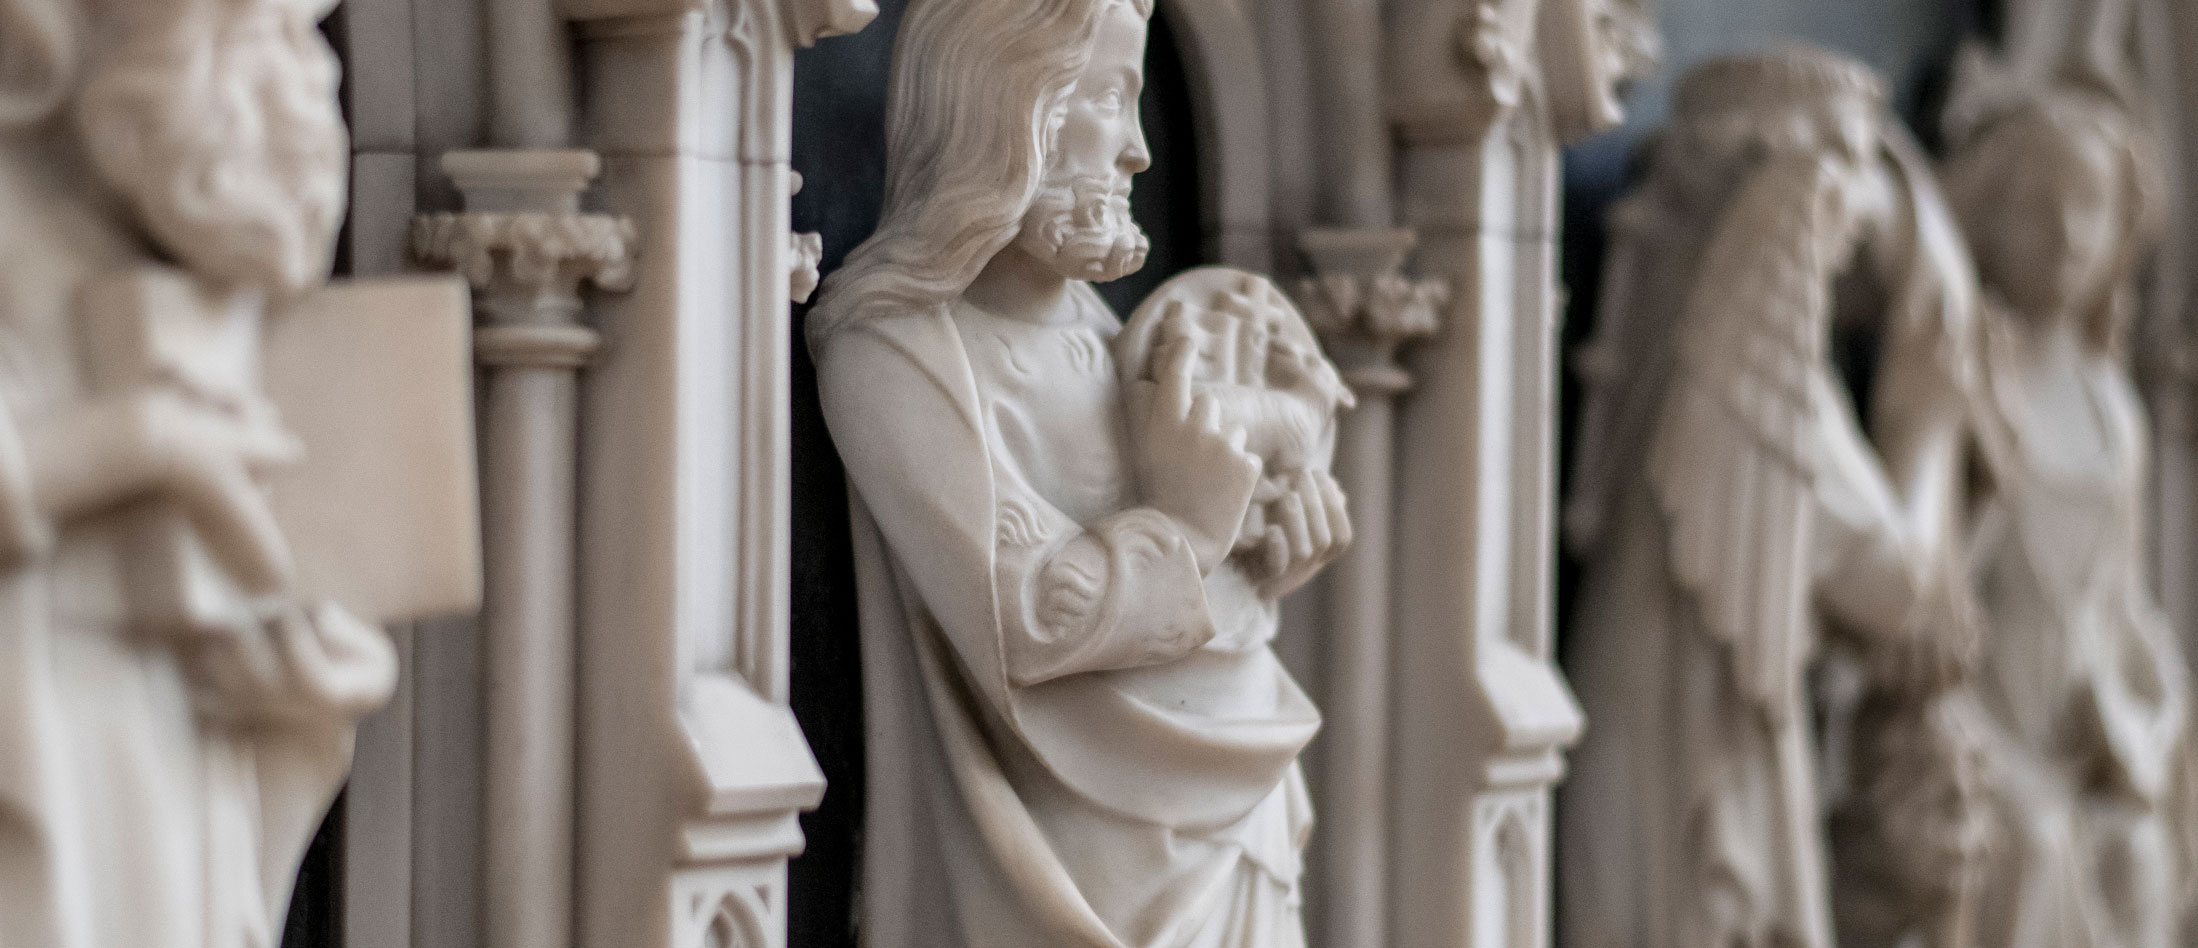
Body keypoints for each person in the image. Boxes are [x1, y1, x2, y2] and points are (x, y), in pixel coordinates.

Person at [807, 0, 1349, 944]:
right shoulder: (893, 349)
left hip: (1223, 826)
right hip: (1050, 884)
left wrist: (1259, 561)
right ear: (1011, 106)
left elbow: (1180, 593)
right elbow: (1022, 615)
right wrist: (1187, 527)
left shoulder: (1105, 337)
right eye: (1111, 95)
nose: (1139, 150)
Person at [0, 0, 395, 944]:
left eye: (303, 33)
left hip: (145, 798)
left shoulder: (202, 291)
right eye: (262, 30)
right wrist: (129, 444)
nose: (310, 76)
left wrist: (300, 714)